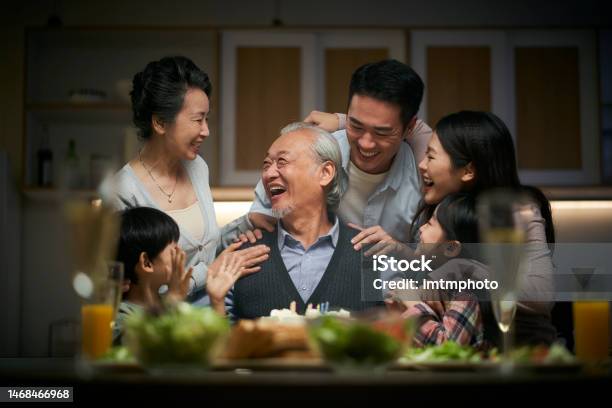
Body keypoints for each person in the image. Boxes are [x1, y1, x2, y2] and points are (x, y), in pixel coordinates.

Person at [110, 56, 269, 305]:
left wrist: (246, 223)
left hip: (216, 312)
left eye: (207, 118)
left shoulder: (197, 168)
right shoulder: (123, 191)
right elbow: (131, 292)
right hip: (164, 328)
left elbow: (202, 249)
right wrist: (211, 272)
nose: (206, 130)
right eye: (197, 120)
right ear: (160, 122)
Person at [248, 60, 431, 245]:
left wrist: (398, 252)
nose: (366, 144)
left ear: (409, 127)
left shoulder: (424, 178)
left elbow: (433, 263)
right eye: (356, 125)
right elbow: (260, 214)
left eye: (381, 132)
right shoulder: (314, 150)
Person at [413, 111, 556, 345]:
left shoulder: (519, 209)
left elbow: (540, 295)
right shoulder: (445, 211)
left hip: (523, 357)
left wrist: (459, 269)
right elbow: (403, 125)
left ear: (468, 171)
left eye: (431, 156)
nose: (421, 164)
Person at [210, 122, 382, 319]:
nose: (268, 173)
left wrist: (405, 255)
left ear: (325, 173)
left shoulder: (371, 253)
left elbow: (407, 324)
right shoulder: (243, 254)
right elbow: (223, 345)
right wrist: (216, 301)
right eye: (266, 164)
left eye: (282, 162)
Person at [387, 193, 486, 348]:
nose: (421, 228)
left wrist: (412, 303)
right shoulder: (428, 279)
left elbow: (448, 348)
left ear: (451, 247)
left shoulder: (465, 293)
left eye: (430, 223)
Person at [112, 207, 192, 343]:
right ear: (147, 262)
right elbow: (147, 349)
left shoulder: (164, 303)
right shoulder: (120, 316)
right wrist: (173, 300)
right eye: (173, 249)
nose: (181, 253)